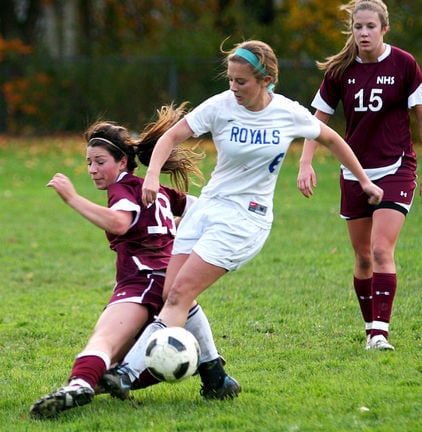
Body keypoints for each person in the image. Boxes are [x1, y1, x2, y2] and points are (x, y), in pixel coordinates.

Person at [101, 38, 384, 396]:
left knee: (178, 297)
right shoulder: (221, 106)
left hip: (245, 220)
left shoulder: (287, 112)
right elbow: (172, 135)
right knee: (171, 294)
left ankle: (127, 373)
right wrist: (153, 173)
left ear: (265, 79)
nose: (233, 88)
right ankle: (216, 378)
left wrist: (364, 181)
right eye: (231, 79)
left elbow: (332, 139)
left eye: (241, 81)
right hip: (208, 208)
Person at [29, 104, 237, 419]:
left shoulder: (123, 188)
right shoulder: (158, 190)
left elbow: (120, 222)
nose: (92, 170)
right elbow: (198, 209)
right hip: (171, 284)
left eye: (100, 162)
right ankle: (213, 372)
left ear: (123, 161)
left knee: (103, 341)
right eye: (88, 163)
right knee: (119, 363)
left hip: (141, 282)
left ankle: (78, 384)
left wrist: (72, 198)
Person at [297, 0, 422, 350]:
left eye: (370, 26)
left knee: (382, 249)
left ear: (384, 28)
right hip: (353, 172)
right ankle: (370, 328)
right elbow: (315, 122)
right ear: (351, 30)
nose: (363, 33)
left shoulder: (404, 64)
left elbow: (420, 117)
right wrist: (306, 162)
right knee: (364, 256)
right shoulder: (341, 70)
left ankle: (381, 333)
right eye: (358, 27)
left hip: (396, 168)